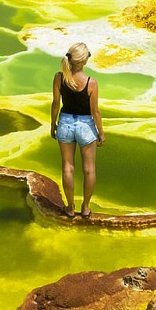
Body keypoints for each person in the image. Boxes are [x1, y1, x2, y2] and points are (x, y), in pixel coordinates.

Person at [50, 42, 105, 219]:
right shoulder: (91, 83)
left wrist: (53, 124)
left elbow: (56, 104)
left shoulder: (59, 77)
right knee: (89, 169)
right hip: (86, 126)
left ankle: (70, 207)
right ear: (84, 61)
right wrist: (101, 133)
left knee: (68, 168)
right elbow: (95, 111)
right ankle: (86, 208)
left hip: (65, 123)